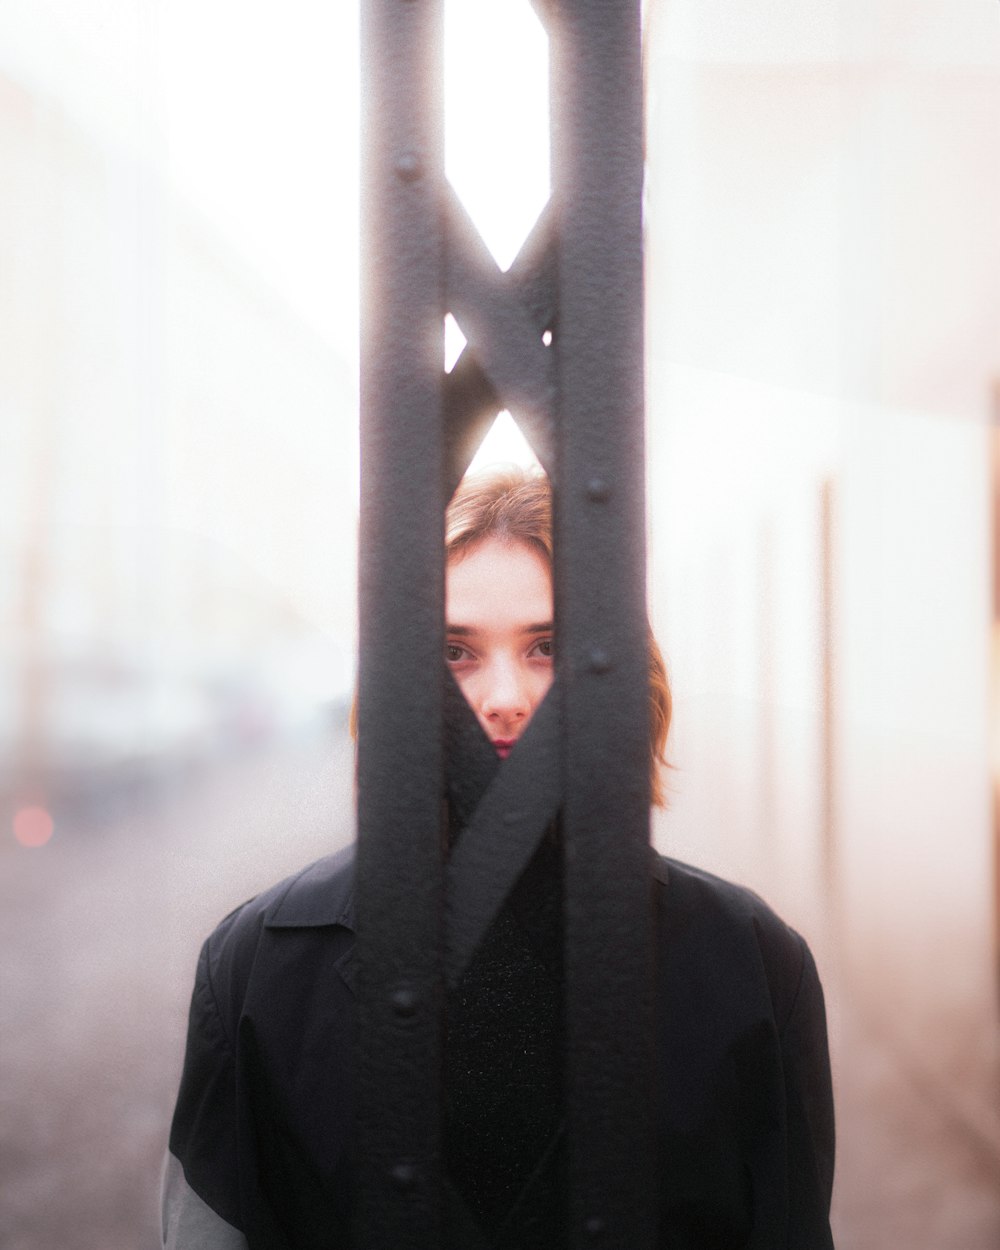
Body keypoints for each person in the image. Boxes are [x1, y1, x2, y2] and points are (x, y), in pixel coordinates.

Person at [163, 467, 835, 1249]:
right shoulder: (255, 967)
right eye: (456, 651)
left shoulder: (753, 962)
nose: (505, 696)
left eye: (547, 646)